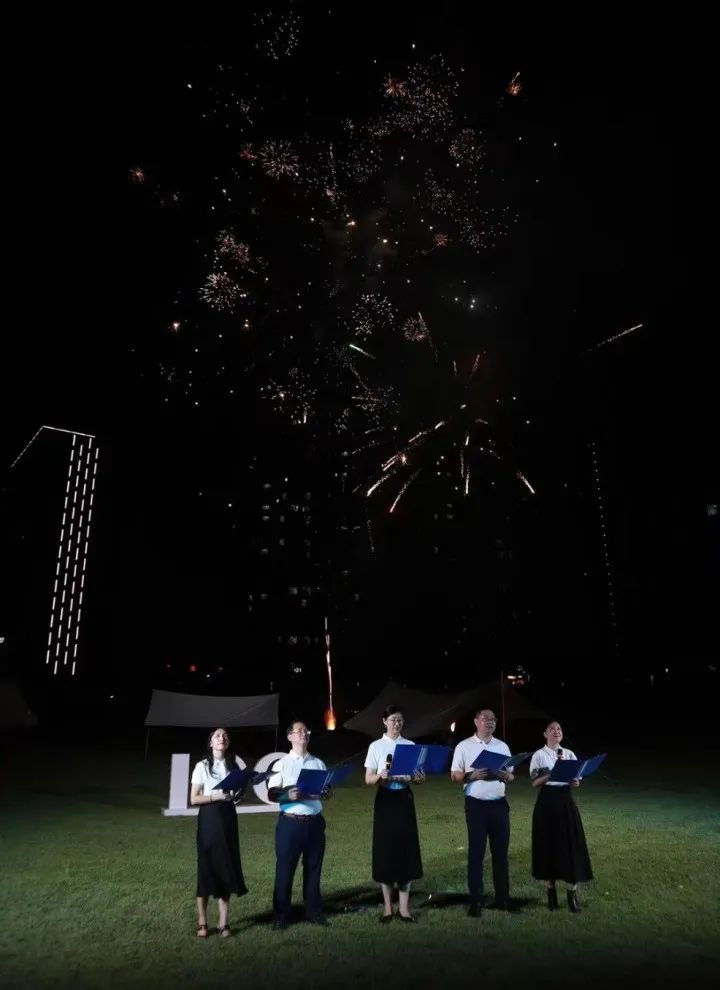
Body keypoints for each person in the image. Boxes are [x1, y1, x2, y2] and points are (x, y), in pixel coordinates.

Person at [450, 709, 517, 916]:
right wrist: (472, 775)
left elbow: (511, 775)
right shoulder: (464, 746)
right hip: (476, 806)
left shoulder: (502, 746)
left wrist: (506, 776)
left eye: (493, 719)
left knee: (501, 854)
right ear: (476, 722)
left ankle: (502, 899)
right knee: (476, 853)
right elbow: (454, 776)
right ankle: (476, 901)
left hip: (499, 805)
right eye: (485, 718)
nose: (490, 722)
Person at [267, 720, 332, 929]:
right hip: (290, 824)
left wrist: (327, 792)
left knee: (313, 869)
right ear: (290, 737)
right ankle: (281, 916)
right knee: (285, 870)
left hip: (314, 823)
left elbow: (325, 790)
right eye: (299, 730)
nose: (304, 733)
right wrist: (288, 794)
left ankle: (313, 911)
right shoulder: (281, 764)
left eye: (306, 730)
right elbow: (271, 793)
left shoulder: (318, 763)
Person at [364, 706, 425, 923]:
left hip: (404, 799)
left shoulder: (410, 745)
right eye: (392, 720)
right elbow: (368, 779)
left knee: (406, 850)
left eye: (400, 720)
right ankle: (388, 908)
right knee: (386, 851)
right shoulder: (376, 746)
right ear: (384, 721)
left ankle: (404, 909)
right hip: (385, 800)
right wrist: (381, 775)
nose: (396, 723)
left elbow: (419, 777)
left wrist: (416, 777)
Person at [529, 720, 593, 912]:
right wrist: (553, 773)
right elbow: (535, 783)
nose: (556, 731)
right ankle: (551, 895)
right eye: (552, 729)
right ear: (545, 733)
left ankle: (572, 896)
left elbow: (576, 782)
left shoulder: (569, 754)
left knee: (572, 844)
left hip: (566, 800)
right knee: (548, 845)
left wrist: (575, 782)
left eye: (559, 728)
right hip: (547, 802)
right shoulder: (539, 755)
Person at [189, 727, 248, 937]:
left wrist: (236, 794)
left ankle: (224, 922)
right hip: (209, 817)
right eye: (217, 735)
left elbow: (235, 792)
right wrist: (217, 796)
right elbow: (194, 798)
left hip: (228, 817)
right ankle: (202, 921)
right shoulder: (202, 766)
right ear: (211, 742)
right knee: (206, 866)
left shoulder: (233, 765)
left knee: (226, 866)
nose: (222, 738)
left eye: (225, 736)